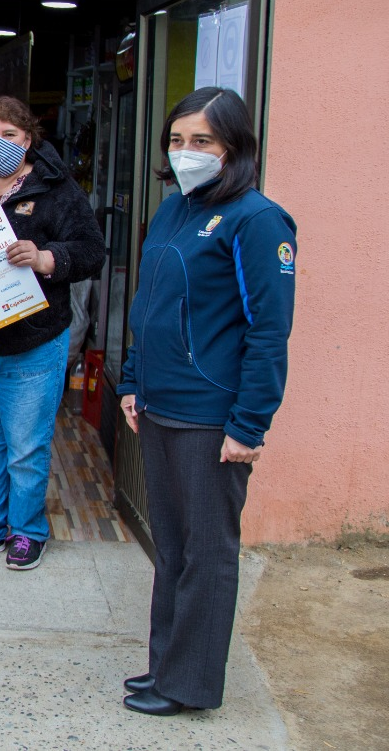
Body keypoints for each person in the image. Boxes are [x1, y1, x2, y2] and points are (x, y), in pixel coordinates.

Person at [117, 87, 296, 716]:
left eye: (202, 141)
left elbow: (269, 332)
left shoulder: (258, 220)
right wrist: (132, 382)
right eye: (176, 140)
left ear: (234, 147)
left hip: (210, 417)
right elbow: (149, 305)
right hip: (159, 406)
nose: (185, 151)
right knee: (172, 549)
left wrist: (249, 424)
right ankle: (165, 667)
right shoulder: (174, 210)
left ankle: (189, 687)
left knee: (208, 555)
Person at [0, 96, 104, 571]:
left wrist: (47, 258)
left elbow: (92, 250)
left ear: (28, 139)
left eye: (9, 134)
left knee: (26, 447)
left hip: (34, 340)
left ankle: (27, 531)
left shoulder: (57, 188)